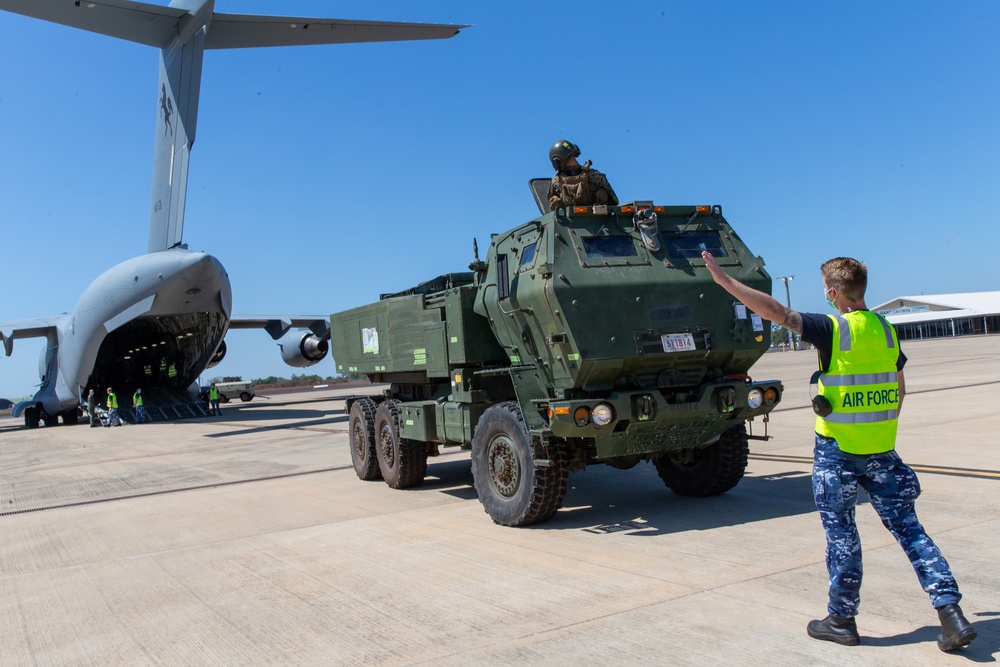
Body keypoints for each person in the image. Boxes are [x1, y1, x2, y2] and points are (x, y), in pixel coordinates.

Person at [701, 252, 976, 653]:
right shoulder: (886, 330)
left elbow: (777, 311)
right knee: (911, 531)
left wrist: (726, 283)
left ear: (833, 292)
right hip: (882, 450)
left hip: (837, 453)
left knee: (842, 536)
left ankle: (841, 619)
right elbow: (899, 389)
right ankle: (951, 614)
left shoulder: (833, 328)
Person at [546, 139, 618, 210]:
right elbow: (614, 201)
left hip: (568, 221)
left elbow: (551, 206)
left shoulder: (555, 181)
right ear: (573, 153)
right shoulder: (595, 176)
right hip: (599, 220)